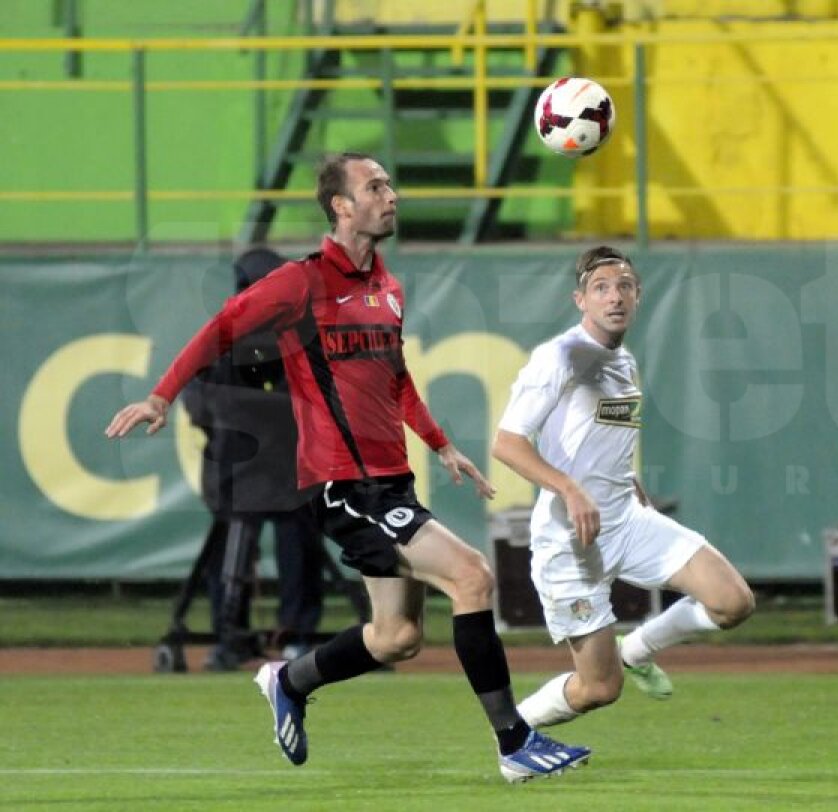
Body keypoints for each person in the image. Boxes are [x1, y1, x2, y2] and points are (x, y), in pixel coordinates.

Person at [106, 152, 590, 783]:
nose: (392, 195)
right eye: (376, 185)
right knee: (472, 578)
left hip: (391, 480)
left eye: (390, 183)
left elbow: (396, 377)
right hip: (342, 486)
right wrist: (161, 396)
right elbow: (223, 326)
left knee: (396, 637)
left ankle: (290, 679)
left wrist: (440, 443)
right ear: (341, 205)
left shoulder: (387, 288)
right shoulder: (300, 283)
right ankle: (514, 741)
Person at [491, 245, 756, 729]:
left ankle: (637, 648)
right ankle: (513, 734)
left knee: (733, 602)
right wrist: (570, 489)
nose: (614, 297)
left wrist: (627, 479)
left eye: (624, 287)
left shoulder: (624, 361)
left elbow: (598, 435)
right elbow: (507, 444)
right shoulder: (559, 356)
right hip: (571, 540)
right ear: (580, 300)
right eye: (601, 288)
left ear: (638, 296)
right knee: (598, 688)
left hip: (627, 521)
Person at [179, 247, 328, 670]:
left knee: (296, 546)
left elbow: (312, 403)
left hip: (285, 469)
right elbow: (197, 401)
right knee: (237, 548)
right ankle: (234, 637)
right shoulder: (222, 338)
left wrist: (238, 411)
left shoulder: (298, 339)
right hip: (239, 470)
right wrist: (260, 412)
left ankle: (294, 635)